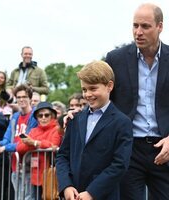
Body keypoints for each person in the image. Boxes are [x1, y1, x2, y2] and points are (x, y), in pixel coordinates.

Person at [105, 3, 169, 199]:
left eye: (145, 26)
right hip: (129, 149)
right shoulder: (115, 59)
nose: (138, 32)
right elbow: (103, 99)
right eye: (135, 26)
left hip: (165, 149)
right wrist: (77, 114)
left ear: (160, 26)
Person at [56, 61, 133, 200]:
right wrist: (66, 185)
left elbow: (119, 164)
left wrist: (92, 192)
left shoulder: (122, 123)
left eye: (93, 88)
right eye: (84, 89)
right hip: (74, 194)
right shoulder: (74, 119)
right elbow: (62, 156)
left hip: (103, 195)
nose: (88, 94)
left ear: (109, 86)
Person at [0, 84, 38, 200]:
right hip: (15, 165)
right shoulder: (15, 116)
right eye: (18, 97)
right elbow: (7, 138)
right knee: (18, 197)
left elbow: (27, 142)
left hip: (30, 164)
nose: (21, 99)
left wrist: (6, 148)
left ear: (30, 98)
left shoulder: (35, 116)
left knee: (29, 197)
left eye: (24, 97)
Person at [16, 101, 62, 200]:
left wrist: (34, 143)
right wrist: (35, 144)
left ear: (52, 116)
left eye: (46, 115)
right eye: (40, 115)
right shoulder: (33, 130)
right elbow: (19, 148)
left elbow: (54, 145)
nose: (43, 118)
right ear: (37, 118)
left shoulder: (56, 129)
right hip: (35, 175)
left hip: (50, 175)